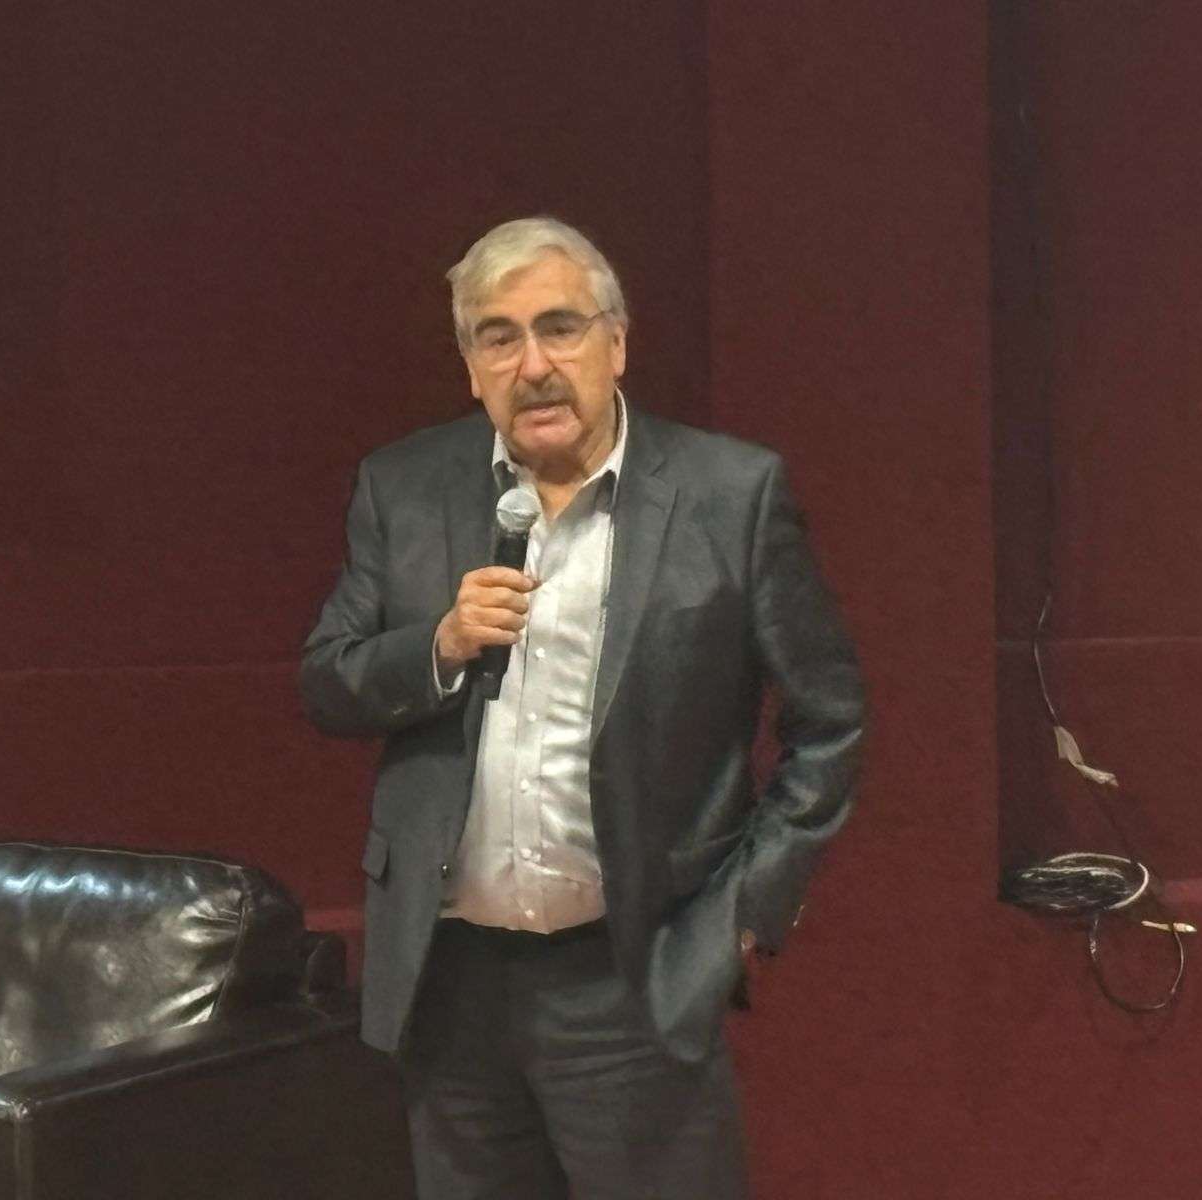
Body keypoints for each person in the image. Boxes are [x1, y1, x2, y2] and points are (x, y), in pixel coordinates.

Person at [300, 216, 864, 1199]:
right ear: (471, 366)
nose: (533, 366)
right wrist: (439, 644)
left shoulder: (729, 494)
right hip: (450, 986)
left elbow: (830, 722)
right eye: (499, 337)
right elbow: (328, 681)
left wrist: (736, 920)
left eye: (559, 328)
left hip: (633, 980)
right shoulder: (404, 487)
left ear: (617, 342)